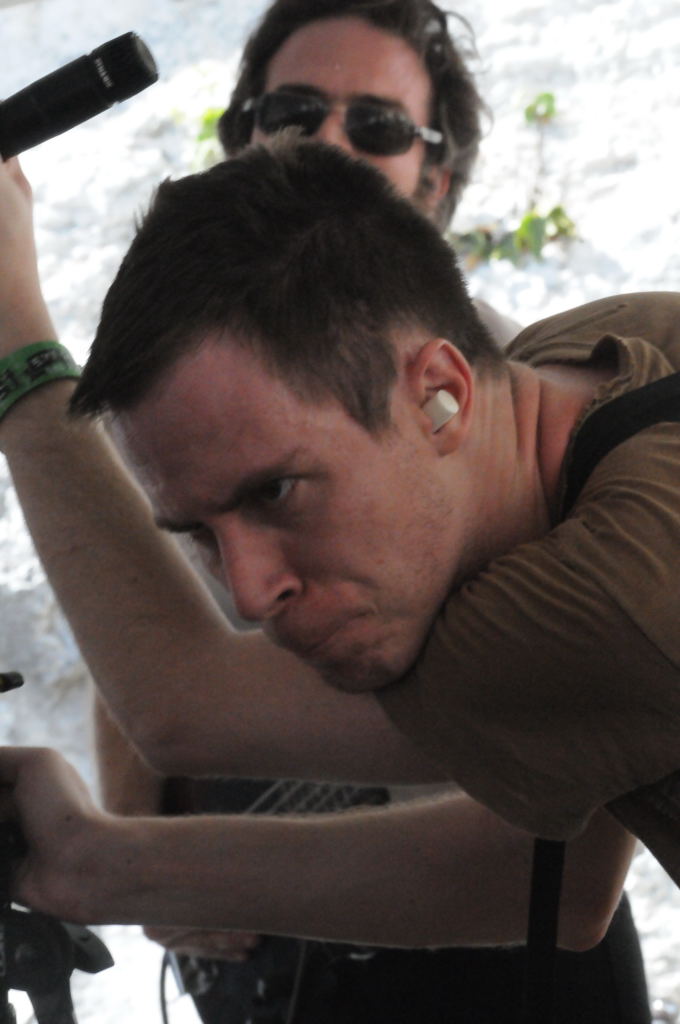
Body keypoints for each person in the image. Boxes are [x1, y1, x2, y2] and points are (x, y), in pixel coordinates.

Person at [1, 135, 676, 1019]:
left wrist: (14, 336)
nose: (251, 594)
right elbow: (561, 879)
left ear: (441, 392)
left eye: (277, 491)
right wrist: (94, 862)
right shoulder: (612, 347)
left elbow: (186, 703)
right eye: (199, 534)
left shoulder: (607, 606)